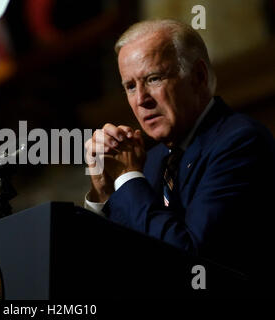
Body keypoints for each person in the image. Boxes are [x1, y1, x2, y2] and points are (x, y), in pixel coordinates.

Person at [84, 19, 275, 287]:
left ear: (198, 76)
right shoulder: (151, 163)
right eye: (130, 86)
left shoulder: (240, 142)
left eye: (153, 79)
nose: (141, 99)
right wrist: (104, 195)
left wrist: (127, 178)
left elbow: (190, 263)